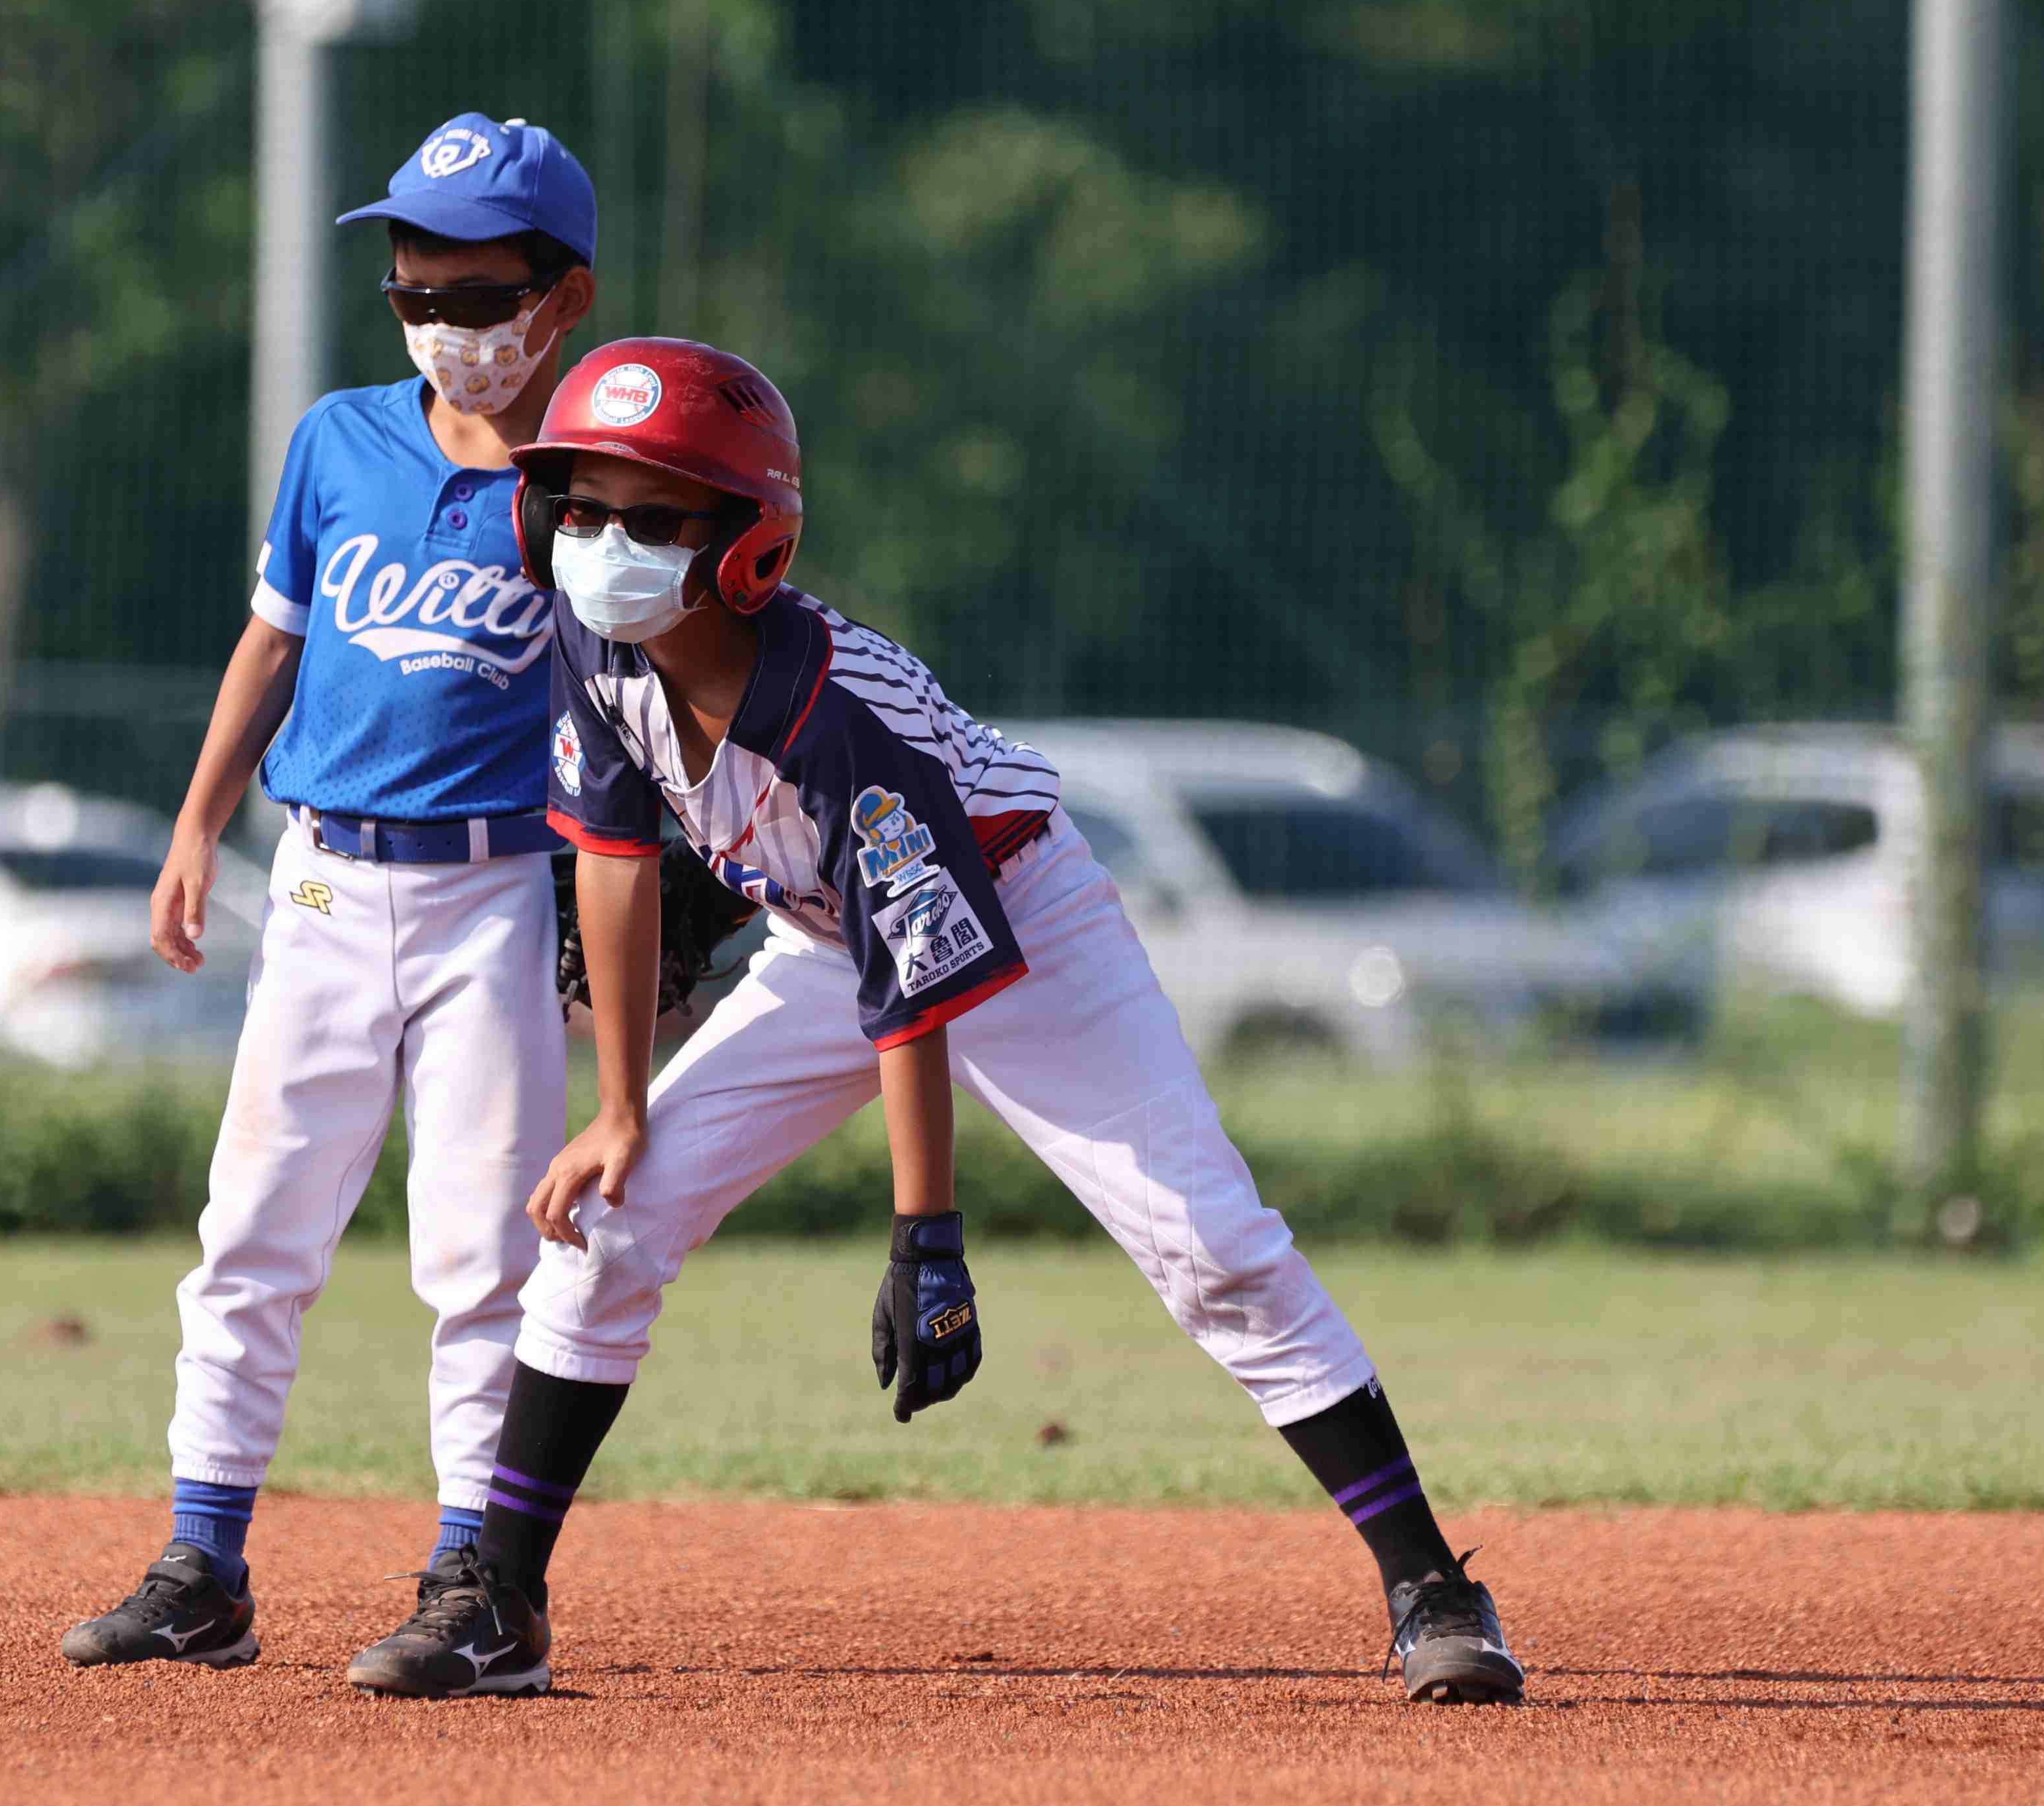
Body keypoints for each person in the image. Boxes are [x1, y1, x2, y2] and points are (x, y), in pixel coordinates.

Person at [339, 337, 1528, 1705]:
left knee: (1213, 1249)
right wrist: (618, 1109)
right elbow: (613, 861)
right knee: (613, 1217)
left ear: (749, 545)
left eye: (655, 518)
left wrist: (927, 1238)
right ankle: (500, 1598)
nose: (608, 545)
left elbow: (914, 989)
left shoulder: (839, 715)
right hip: (821, 936)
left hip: (1025, 920)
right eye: (586, 509)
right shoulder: (595, 646)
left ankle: (1433, 1587)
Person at [58, 113, 603, 1691]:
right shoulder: (339, 441)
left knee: (485, 1258)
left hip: (497, 892)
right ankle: (202, 1570)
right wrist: (196, 823)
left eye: (479, 295)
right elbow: (274, 638)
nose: (443, 324)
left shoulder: (595, 478)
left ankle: (480, 1585)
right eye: (414, 292)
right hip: (319, 876)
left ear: (564, 299)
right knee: (252, 1230)